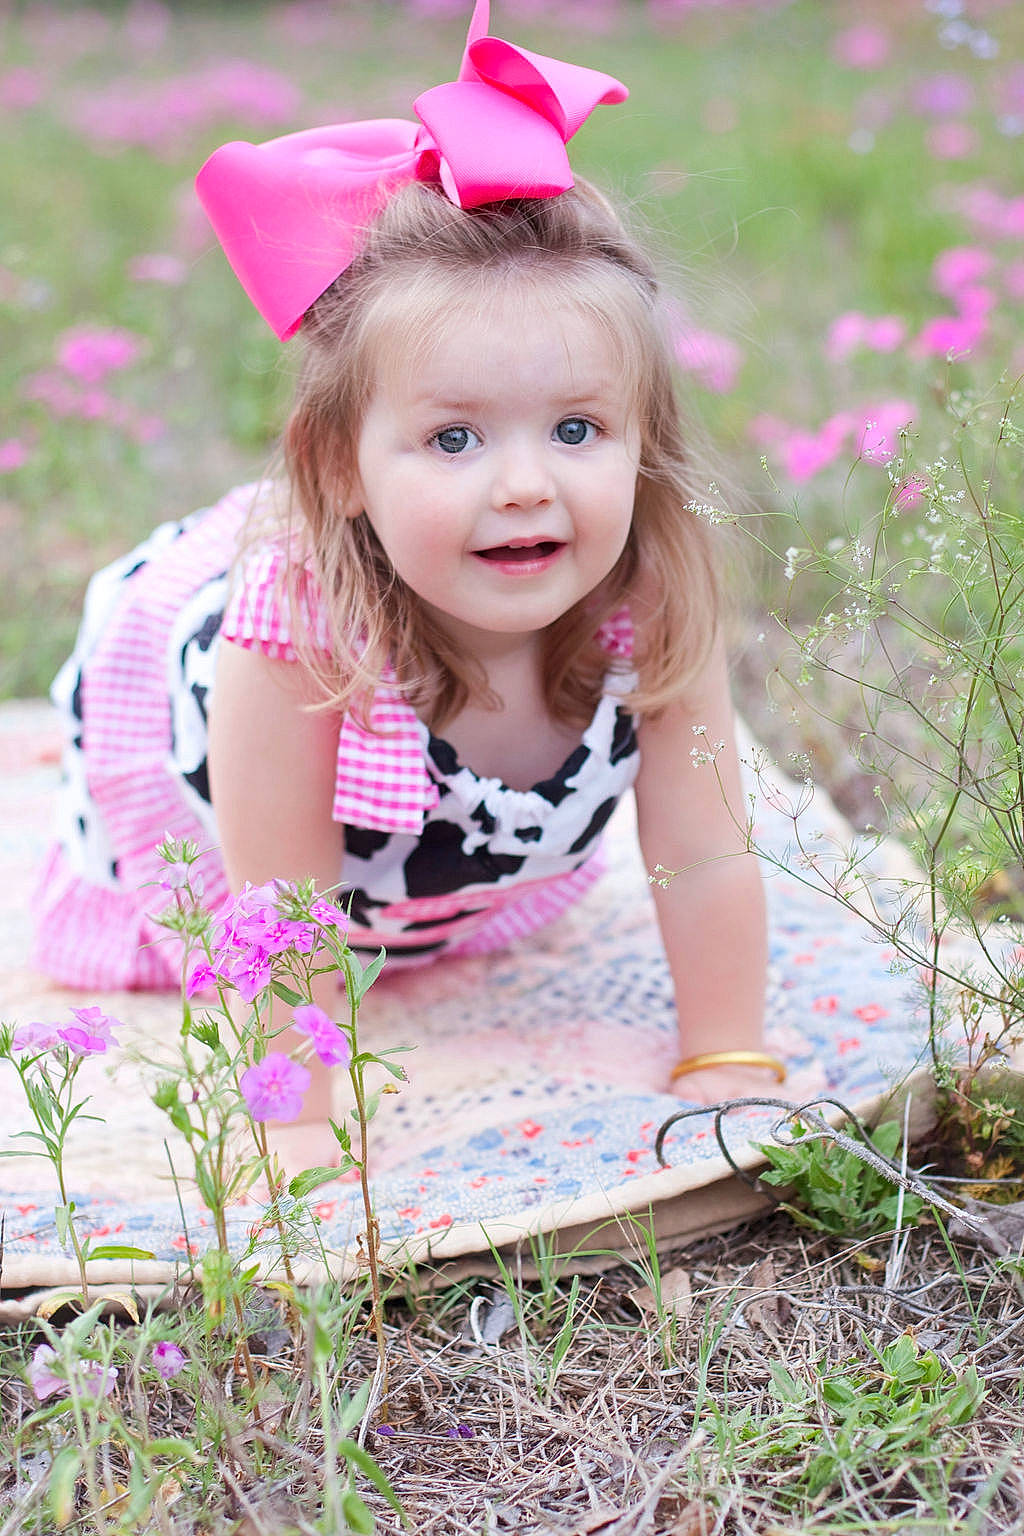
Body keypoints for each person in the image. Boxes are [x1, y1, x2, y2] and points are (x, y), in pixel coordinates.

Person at [34, 1, 781, 1127]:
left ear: (645, 446)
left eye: (576, 430)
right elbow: (277, 909)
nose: (525, 484)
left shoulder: (650, 602)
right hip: (244, 825)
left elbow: (705, 852)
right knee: (259, 902)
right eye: (453, 438)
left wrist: (725, 1055)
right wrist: (297, 1128)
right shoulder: (292, 635)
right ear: (338, 467)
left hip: (431, 867)